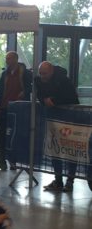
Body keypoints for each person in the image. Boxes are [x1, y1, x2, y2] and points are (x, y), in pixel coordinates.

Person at [34, 61, 80, 192]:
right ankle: (58, 180)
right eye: (40, 73)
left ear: (52, 71)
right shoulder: (38, 80)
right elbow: (40, 96)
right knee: (55, 149)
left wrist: (53, 100)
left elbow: (71, 96)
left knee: (71, 150)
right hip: (54, 119)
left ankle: (70, 180)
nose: (42, 76)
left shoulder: (63, 79)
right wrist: (45, 100)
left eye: (45, 74)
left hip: (70, 119)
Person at [0, 51, 32, 171]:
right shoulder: (5, 74)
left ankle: (14, 162)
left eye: (9, 58)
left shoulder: (25, 73)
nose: (7, 61)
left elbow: (30, 87)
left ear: (16, 59)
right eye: (6, 58)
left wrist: (24, 92)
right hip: (4, 107)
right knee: (0, 135)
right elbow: (0, 90)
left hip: (18, 109)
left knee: (15, 136)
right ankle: (1, 162)